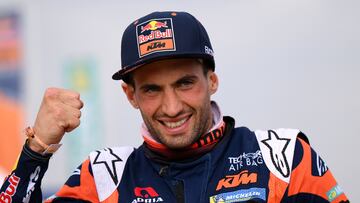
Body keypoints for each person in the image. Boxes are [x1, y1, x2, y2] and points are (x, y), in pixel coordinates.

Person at [0, 11, 349, 203]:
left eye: (185, 83)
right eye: (152, 89)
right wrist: (36, 151)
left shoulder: (283, 157)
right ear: (131, 96)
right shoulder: (104, 175)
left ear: (211, 80)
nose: (171, 107)